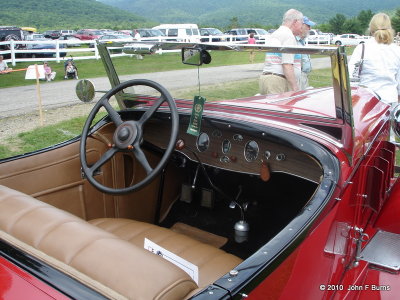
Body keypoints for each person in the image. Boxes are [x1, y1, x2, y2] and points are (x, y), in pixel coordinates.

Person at [348, 13, 400, 105]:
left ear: (371, 29)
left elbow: (350, 76)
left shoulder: (362, 48)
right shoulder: (397, 50)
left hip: (366, 101)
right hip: (390, 101)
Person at [259, 9, 303, 95]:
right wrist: (295, 87)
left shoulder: (275, 33)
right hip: (278, 81)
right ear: (295, 22)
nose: (302, 26)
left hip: (267, 78)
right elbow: (287, 64)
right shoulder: (288, 36)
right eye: (301, 23)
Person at [296, 16, 316, 90]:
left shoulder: (302, 42)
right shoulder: (294, 41)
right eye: (308, 26)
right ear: (301, 26)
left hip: (304, 76)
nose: (309, 28)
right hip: (298, 76)